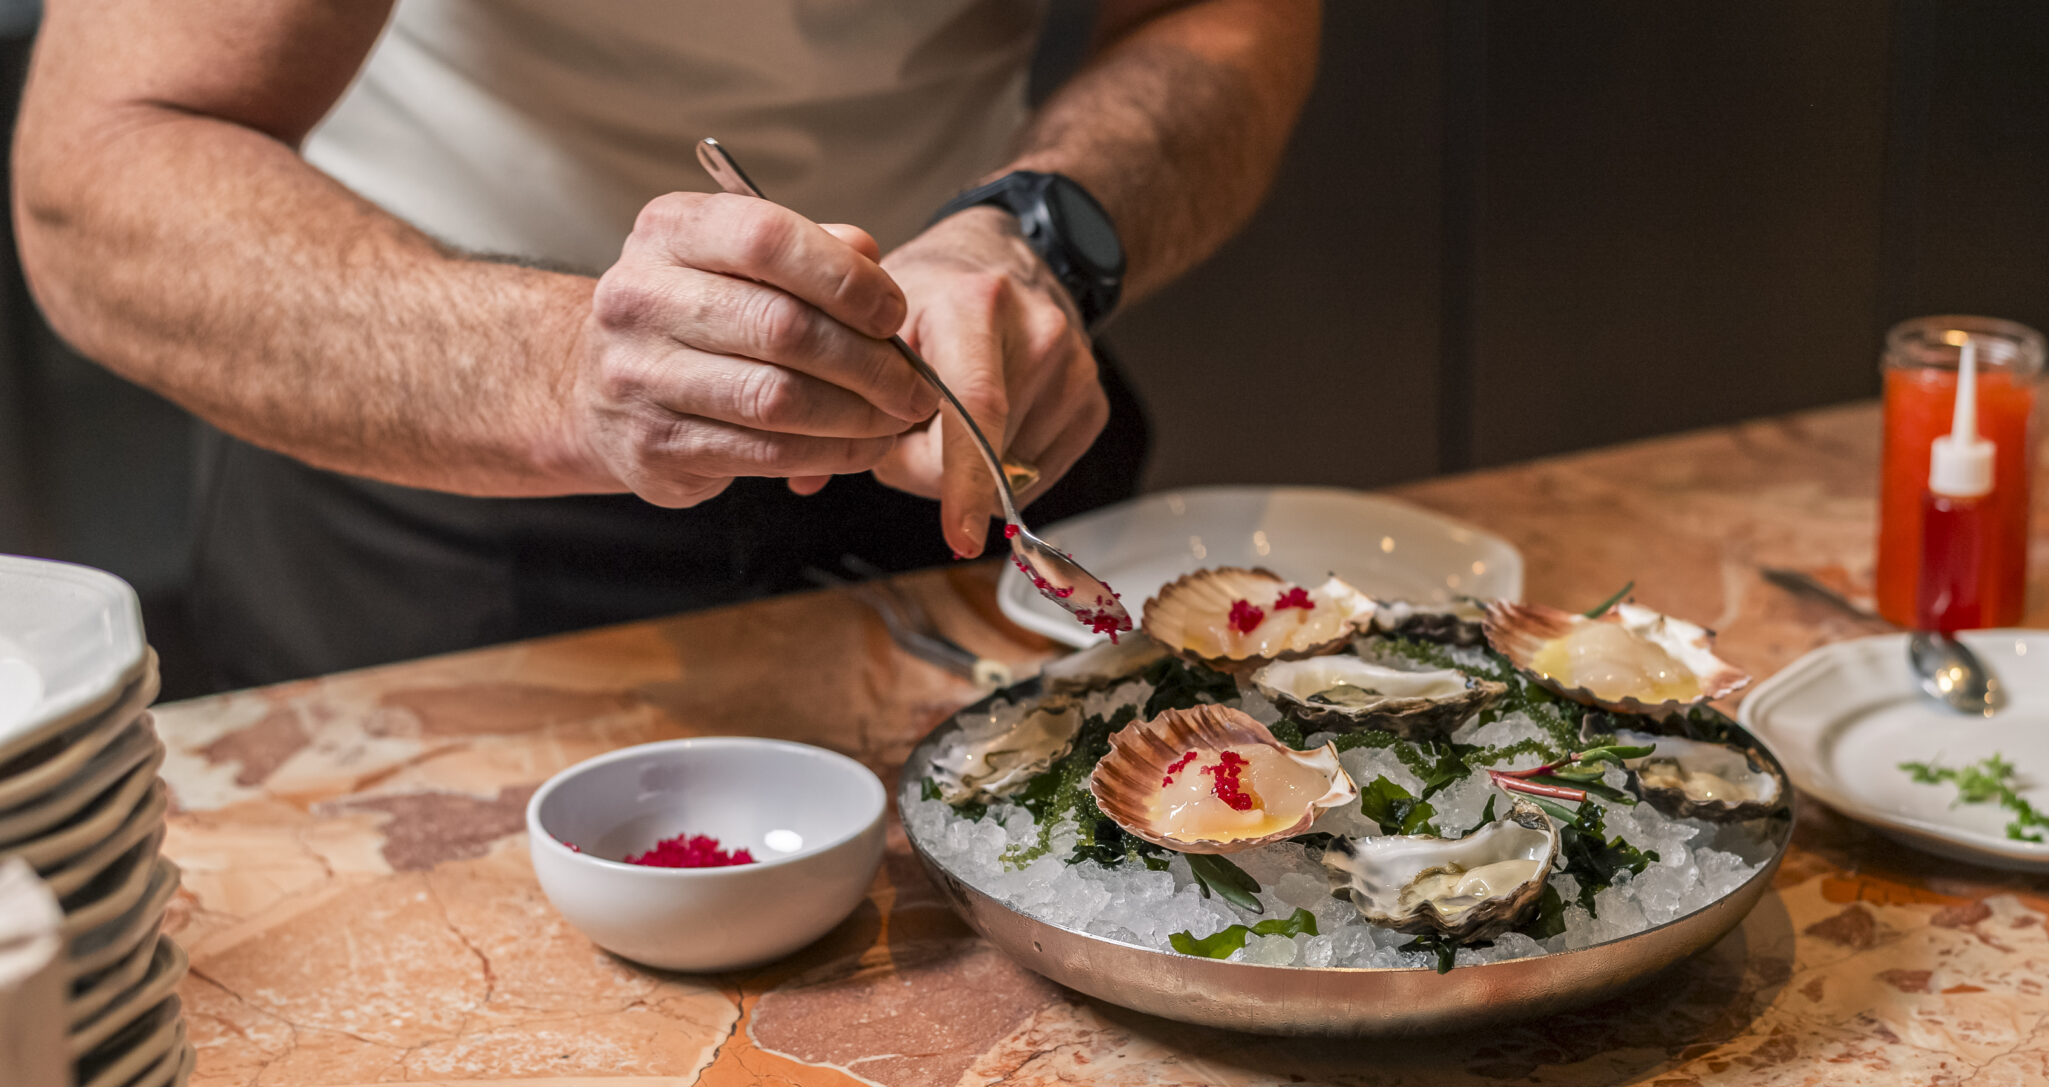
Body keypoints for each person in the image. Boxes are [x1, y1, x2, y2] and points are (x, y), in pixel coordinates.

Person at [11, 0, 1319, 687]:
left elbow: (1217, 13)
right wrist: (560, 372)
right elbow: (102, 170)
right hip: (444, 490)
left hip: (969, 415)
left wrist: (1035, 232)